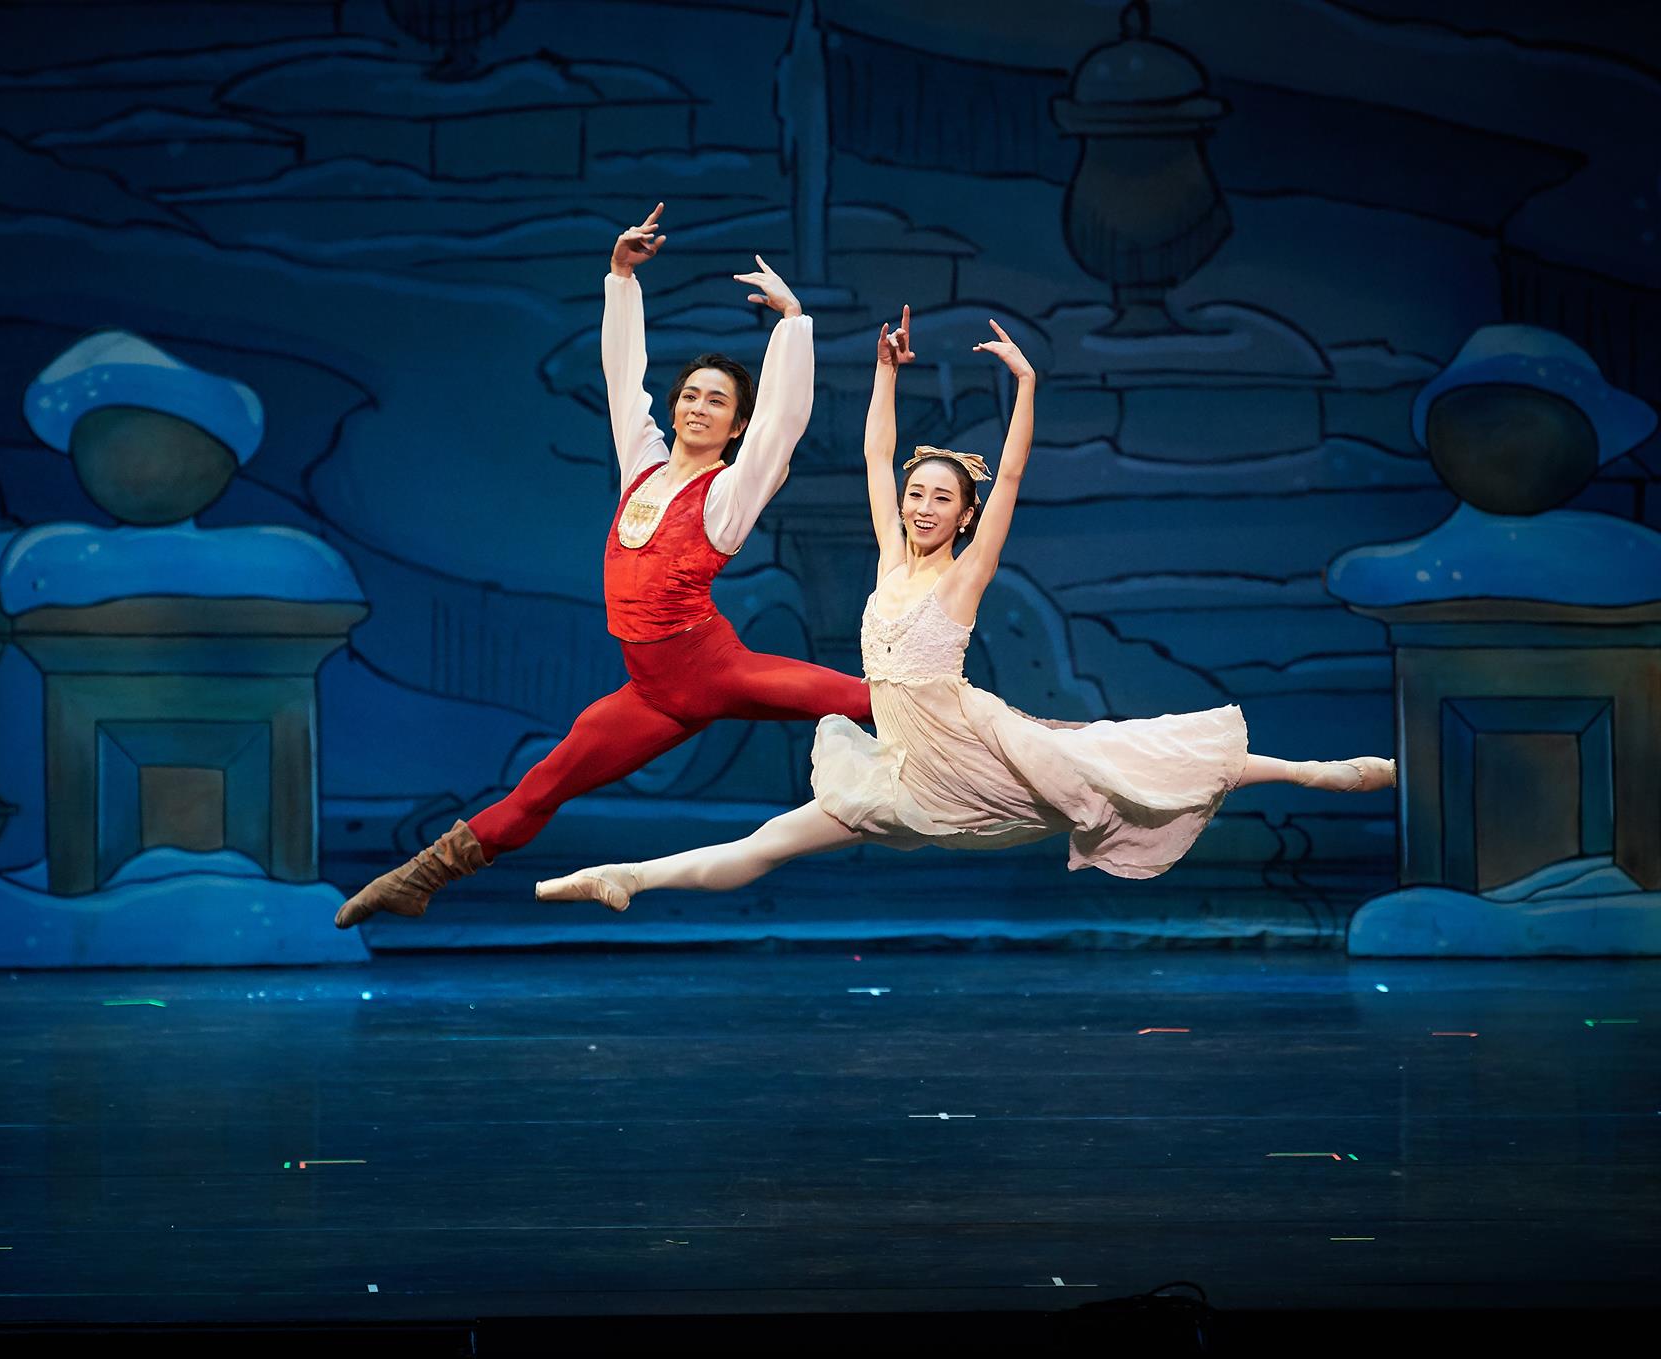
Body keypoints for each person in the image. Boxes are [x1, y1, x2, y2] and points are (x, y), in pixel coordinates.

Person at [535, 306, 1395, 912]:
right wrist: (882, 371)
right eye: (916, 493)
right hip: (898, 772)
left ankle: (1310, 773)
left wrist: (1024, 386)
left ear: (962, 515)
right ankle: (630, 876)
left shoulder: (963, 577)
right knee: (767, 843)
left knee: (1130, 760)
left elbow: (1011, 476)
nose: (920, 505)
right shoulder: (886, 558)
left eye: (939, 497)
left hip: (977, 752)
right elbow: (875, 454)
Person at [335, 204, 874, 928]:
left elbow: (782, 426)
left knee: (877, 700)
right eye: (691, 396)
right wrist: (621, 278)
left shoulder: (730, 492)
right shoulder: (643, 467)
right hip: (652, 694)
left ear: (735, 425)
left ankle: (1030, 746)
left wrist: (793, 323)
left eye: (717, 402)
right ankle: (423, 874)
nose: (697, 408)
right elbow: (626, 381)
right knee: (543, 785)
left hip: (714, 669)